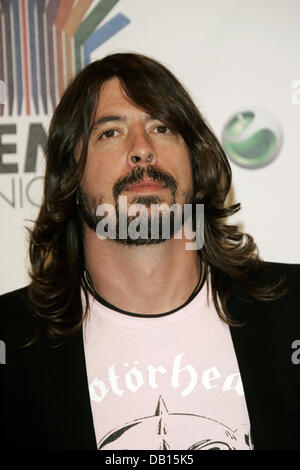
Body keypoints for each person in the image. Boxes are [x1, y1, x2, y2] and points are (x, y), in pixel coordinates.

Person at [1, 53, 299, 451]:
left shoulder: (293, 308)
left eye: (162, 127)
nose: (142, 150)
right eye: (109, 132)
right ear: (70, 172)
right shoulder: (12, 340)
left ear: (196, 162)